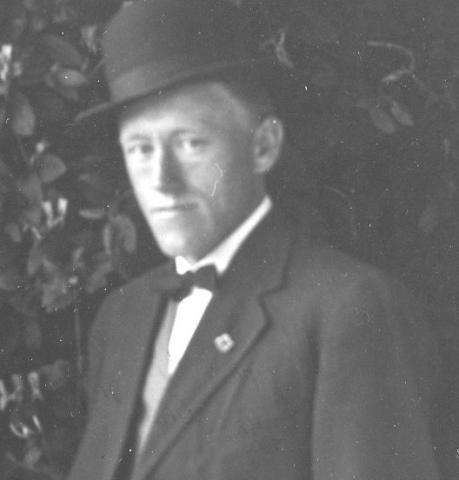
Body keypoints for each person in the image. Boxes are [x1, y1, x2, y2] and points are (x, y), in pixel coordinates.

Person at [68, 0, 440, 479]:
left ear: (263, 146)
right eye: (140, 149)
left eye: (190, 143)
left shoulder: (347, 310)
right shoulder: (121, 318)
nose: (161, 179)